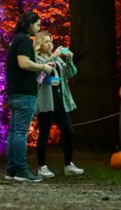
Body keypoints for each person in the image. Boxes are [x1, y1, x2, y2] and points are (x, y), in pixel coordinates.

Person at [5, 11, 54, 183]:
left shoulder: (15, 40)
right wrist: (43, 67)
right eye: (38, 25)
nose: (39, 28)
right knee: (20, 132)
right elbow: (24, 63)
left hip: (14, 91)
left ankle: (11, 169)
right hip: (24, 92)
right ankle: (21, 170)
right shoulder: (24, 40)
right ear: (30, 24)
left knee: (13, 132)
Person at [33, 31, 83, 178]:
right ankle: (42, 166)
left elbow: (71, 73)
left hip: (61, 100)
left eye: (51, 41)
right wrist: (52, 57)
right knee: (44, 133)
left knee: (68, 131)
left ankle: (68, 164)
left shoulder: (59, 61)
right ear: (39, 44)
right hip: (46, 100)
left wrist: (69, 59)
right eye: (46, 41)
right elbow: (38, 80)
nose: (49, 44)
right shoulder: (36, 59)